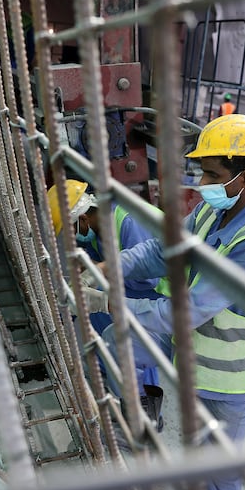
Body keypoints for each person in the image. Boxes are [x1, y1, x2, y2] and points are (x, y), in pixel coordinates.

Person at [89, 114, 245, 490]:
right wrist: (108, 267)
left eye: (213, 175)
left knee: (219, 476)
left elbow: (187, 312)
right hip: (196, 363)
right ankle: (137, 411)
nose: (203, 185)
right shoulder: (212, 212)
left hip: (229, 382)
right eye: (202, 174)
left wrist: (110, 301)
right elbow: (162, 250)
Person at [47, 180, 164, 421]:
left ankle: (146, 411)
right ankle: (112, 378)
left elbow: (147, 279)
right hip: (134, 287)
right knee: (98, 311)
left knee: (133, 335)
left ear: (82, 218)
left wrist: (102, 291)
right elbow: (91, 265)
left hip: (163, 293)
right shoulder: (93, 228)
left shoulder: (129, 221)